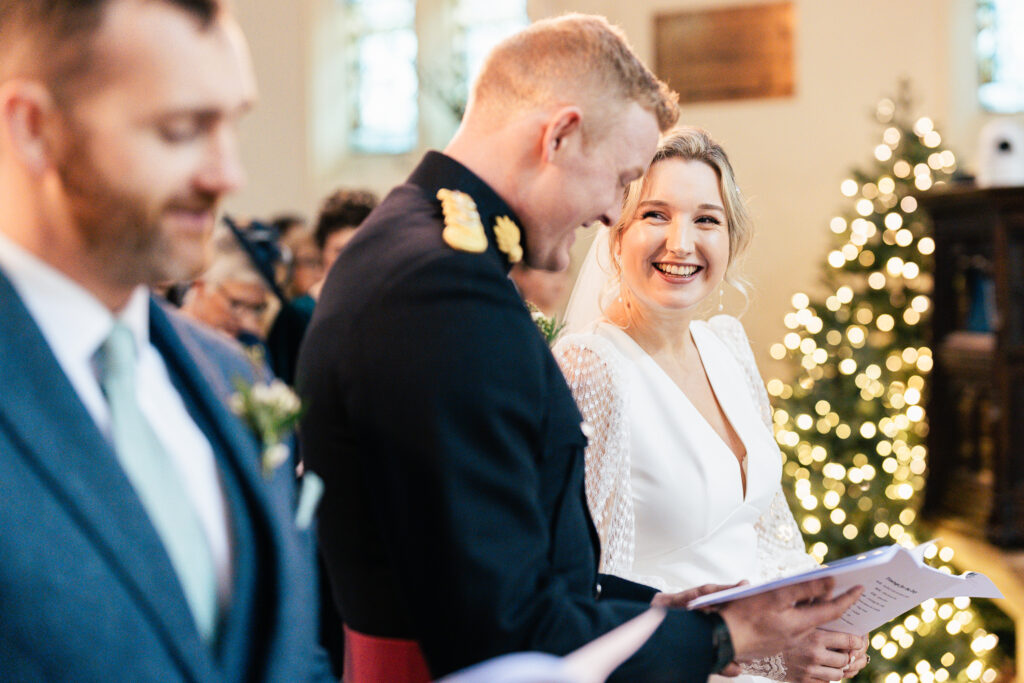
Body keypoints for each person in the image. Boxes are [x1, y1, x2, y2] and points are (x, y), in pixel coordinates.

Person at [297, 14, 861, 683]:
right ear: (560, 135)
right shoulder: (442, 290)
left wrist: (660, 609)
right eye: (622, 180)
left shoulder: (420, 247)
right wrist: (725, 633)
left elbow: (534, 566)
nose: (609, 211)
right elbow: (505, 624)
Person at [0, 0, 332, 679]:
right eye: (182, 129)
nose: (227, 175)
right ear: (34, 129)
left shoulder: (229, 375)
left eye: (233, 124)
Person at [554, 128, 870, 683]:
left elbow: (771, 531)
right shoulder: (590, 369)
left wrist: (829, 617)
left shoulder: (726, 345)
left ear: (731, 238)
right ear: (615, 234)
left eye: (706, 219)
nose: (681, 243)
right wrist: (761, 651)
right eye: (656, 215)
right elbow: (586, 585)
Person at [306, 187, 378, 301]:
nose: (351, 259)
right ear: (322, 252)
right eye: (340, 251)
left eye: (359, 250)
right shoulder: (302, 310)